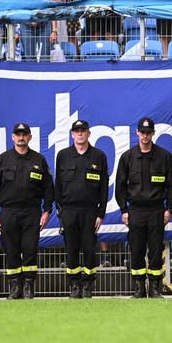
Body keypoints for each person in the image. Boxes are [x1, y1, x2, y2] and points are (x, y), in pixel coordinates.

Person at [115, 116, 172, 299]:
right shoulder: (128, 157)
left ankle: (155, 288)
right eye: (142, 132)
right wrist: (124, 210)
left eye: (148, 132)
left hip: (157, 211)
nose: (145, 136)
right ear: (137, 133)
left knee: (156, 251)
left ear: (153, 133)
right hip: (135, 211)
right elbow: (120, 187)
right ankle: (139, 288)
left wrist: (169, 209)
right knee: (136, 250)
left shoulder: (164, 157)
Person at [0, 122, 54, 300]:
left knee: (29, 250)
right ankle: (14, 287)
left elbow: (49, 188)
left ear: (30, 137)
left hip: (31, 213)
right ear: (12, 137)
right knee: (11, 250)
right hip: (8, 212)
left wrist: (47, 211)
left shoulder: (38, 160)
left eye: (24, 134)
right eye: (18, 134)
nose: (21, 137)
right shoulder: (3, 159)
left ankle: (28, 286)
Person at [54, 119, 109, 300]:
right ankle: (74, 285)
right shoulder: (63, 155)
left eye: (83, 130)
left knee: (89, 249)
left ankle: (88, 285)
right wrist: (60, 210)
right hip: (69, 211)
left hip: (90, 211)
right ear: (72, 134)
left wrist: (100, 213)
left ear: (88, 133)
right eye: (76, 131)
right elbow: (58, 186)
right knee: (71, 249)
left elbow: (103, 188)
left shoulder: (98, 156)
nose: (79, 133)